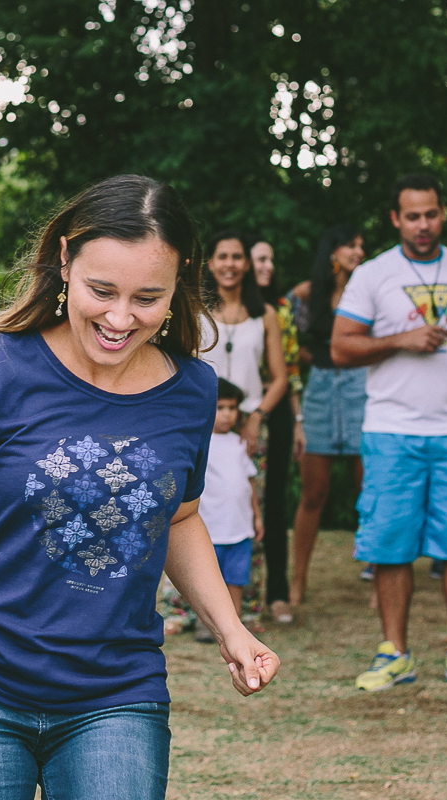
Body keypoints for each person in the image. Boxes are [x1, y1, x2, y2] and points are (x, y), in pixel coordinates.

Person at [0, 175, 278, 799]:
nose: (120, 318)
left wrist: (231, 629)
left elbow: (178, 517)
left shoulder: (192, 390)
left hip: (116, 697)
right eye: (102, 290)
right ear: (64, 261)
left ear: (179, 284)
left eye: (147, 297)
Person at [333, 173, 447, 691]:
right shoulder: (373, 274)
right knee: (390, 543)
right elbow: (341, 346)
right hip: (391, 430)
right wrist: (402, 339)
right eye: (412, 215)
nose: (422, 224)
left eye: (431, 214)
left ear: (443, 214)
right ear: (395, 219)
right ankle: (394, 652)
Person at [200, 230, 287, 623]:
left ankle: (246, 603)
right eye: (222, 256)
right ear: (210, 263)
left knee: (249, 510)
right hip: (202, 425)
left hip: (248, 424)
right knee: (191, 510)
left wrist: (256, 417)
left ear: (247, 264)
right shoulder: (196, 310)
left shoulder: (265, 313)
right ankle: (186, 606)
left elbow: (280, 377)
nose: (230, 264)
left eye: (237, 257)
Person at [287, 226, 368, 606]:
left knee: (369, 490)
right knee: (313, 493)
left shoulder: (368, 290)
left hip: (361, 389)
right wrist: (313, 359)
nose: (359, 251)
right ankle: (297, 581)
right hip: (319, 391)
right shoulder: (308, 292)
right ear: (333, 251)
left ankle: (378, 576)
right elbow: (285, 336)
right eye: (352, 244)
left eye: (361, 246)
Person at [250, 238, 301, 624]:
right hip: (235, 410)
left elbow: (291, 368)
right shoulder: (228, 308)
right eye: (260, 259)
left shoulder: (280, 308)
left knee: (275, 502)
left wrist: (297, 419)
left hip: (276, 411)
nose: (268, 266)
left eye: (271, 259)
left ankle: (278, 592)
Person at [194, 379, 263, 642]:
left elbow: (250, 483)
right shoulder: (201, 444)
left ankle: (234, 627)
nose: (226, 414)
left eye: (232, 408)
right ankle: (207, 624)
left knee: (235, 579)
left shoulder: (240, 443)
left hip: (239, 527)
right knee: (207, 581)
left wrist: (257, 517)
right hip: (211, 528)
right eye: (220, 407)